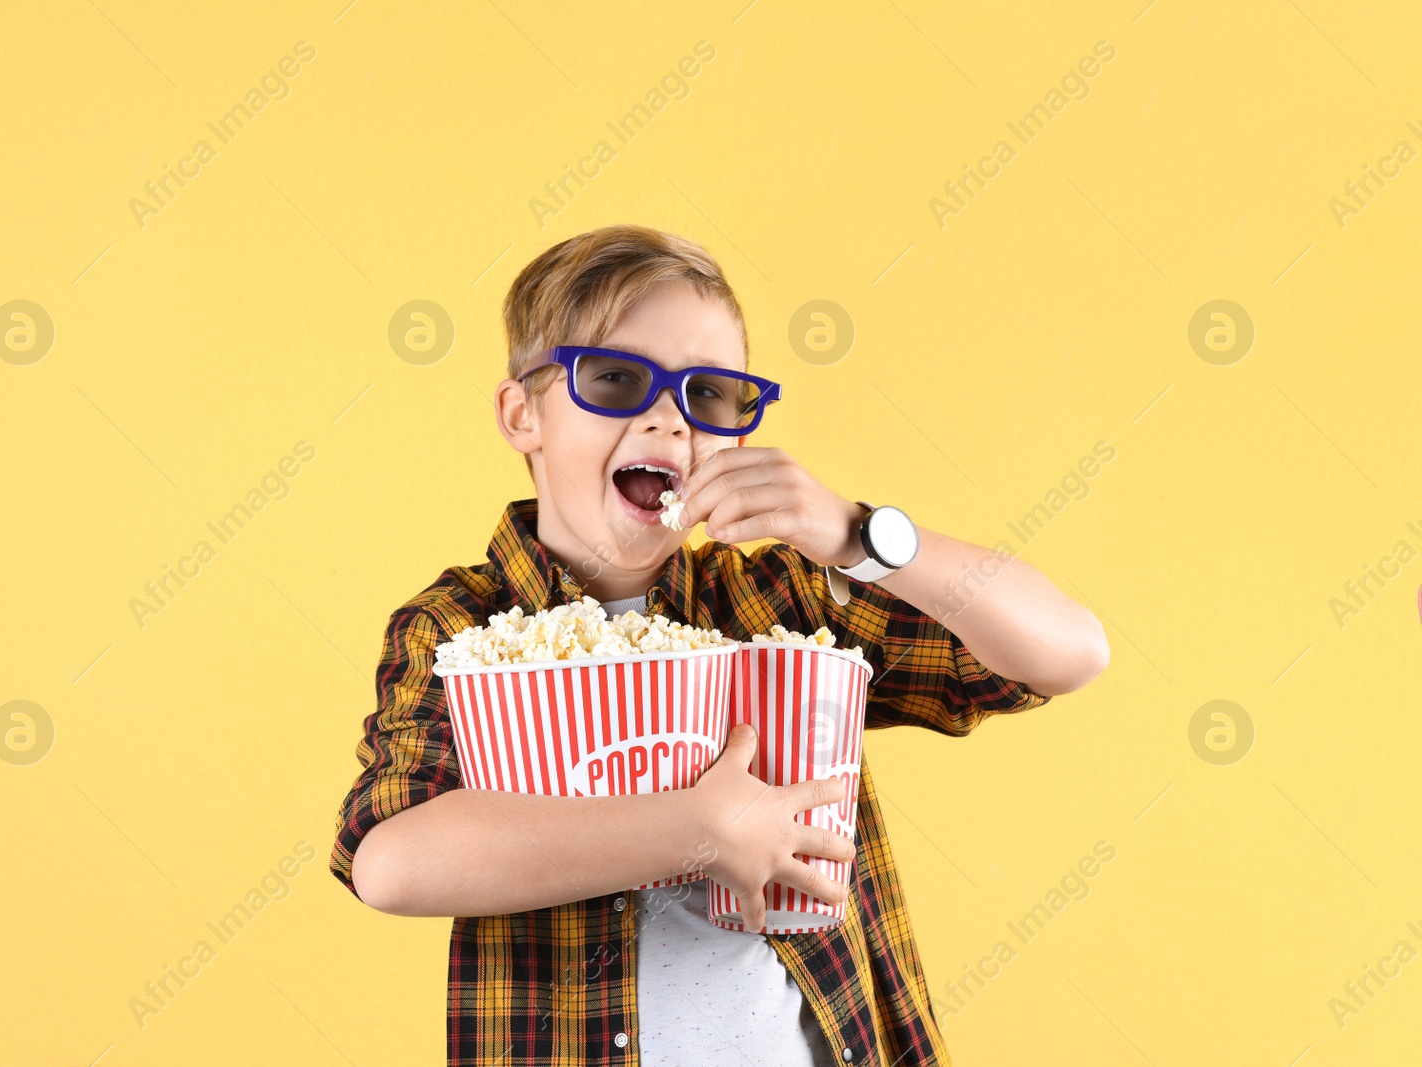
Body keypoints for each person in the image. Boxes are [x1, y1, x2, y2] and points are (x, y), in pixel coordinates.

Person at [329, 223, 1110, 1066]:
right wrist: (699, 827)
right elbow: (392, 860)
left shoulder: (776, 598)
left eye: (709, 396)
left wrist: (859, 536)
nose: (669, 423)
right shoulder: (460, 628)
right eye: (618, 379)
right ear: (524, 414)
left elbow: (1066, 650)